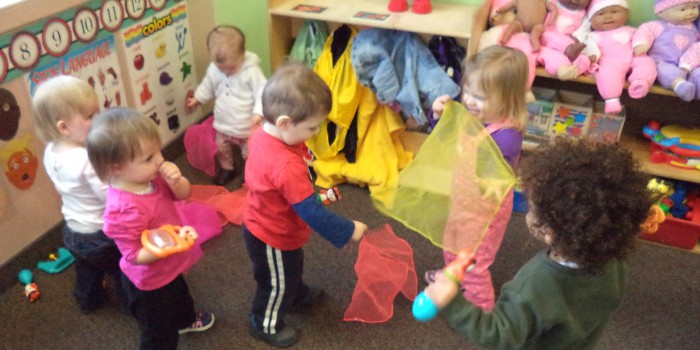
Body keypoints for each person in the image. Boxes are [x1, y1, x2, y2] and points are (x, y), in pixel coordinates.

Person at [421, 137, 655, 349]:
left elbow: (499, 334)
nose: (527, 214)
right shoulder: (613, 255)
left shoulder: (536, 286)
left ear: (550, 232)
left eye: (532, 209)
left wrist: (452, 301)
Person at [243, 63, 367, 348]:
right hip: (270, 235)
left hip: (275, 223)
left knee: (291, 267)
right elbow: (312, 212)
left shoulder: (264, 132)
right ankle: (264, 323)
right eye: (311, 127)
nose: (315, 132)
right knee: (275, 282)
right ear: (284, 123)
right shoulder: (286, 166)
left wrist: (303, 154)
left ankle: (295, 294)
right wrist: (349, 229)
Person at [86, 107, 214, 350]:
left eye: (159, 151)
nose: (160, 160)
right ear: (116, 168)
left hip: (169, 264)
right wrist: (171, 245)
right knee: (159, 332)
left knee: (179, 292)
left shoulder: (151, 179)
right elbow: (133, 256)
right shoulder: (124, 209)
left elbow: (183, 195)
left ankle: (185, 319)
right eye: (148, 158)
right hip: (150, 280)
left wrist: (177, 181)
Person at [427, 45, 528, 312]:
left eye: (480, 97)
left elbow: (493, 174)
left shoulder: (507, 136)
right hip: (462, 198)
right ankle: (452, 276)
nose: (469, 101)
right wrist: (438, 116)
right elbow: (446, 135)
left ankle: (481, 309)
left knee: (473, 260)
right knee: (452, 242)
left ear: (507, 100)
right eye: (467, 92)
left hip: (485, 210)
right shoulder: (471, 116)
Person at [31, 75, 126, 314]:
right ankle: (132, 303)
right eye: (91, 116)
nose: (99, 118)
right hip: (100, 234)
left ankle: (88, 300)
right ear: (64, 127)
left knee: (87, 268)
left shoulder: (52, 151)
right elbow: (109, 197)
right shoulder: (87, 159)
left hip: (73, 231)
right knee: (123, 269)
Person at [186, 25, 267, 185]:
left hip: (246, 126)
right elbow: (208, 85)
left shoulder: (251, 72)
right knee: (221, 149)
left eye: (231, 68)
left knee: (249, 153)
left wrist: (258, 113)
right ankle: (228, 169)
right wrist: (198, 98)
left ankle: (249, 172)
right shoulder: (215, 69)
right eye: (220, 68)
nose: (226, 72)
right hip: (224, 124)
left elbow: (262, 93)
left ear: (242, 56)